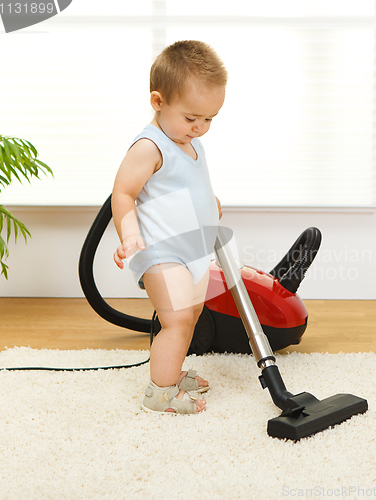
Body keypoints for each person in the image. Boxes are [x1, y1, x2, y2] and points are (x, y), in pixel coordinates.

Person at [111, 40, 227, 414]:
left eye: (209, 119)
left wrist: (209, 205)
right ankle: (160, 393)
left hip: (192, 248)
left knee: (190, 316)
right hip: (161, 250)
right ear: (158, 102)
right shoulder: (150, 146)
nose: (200, 127)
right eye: (192, 117)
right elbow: (124, 193)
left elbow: (186, 185)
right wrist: (129, 235)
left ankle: (171, 371)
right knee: (176, 319)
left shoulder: (188, 141)